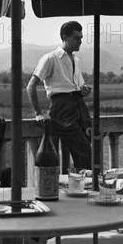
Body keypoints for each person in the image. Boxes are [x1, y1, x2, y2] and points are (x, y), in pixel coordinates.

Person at [26, 21, 92, 169]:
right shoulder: (50, 58)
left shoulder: (76, 60)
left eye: (81, 38)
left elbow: (77, 86)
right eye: (76, 38)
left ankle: (81, 185)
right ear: (65, 37)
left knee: (87, 146)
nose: (80, 41)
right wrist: (38, 113)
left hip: (79, 107)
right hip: (62, 109)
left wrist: (83, 91)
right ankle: (85, 185)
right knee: (85, 152)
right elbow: (31, 86)